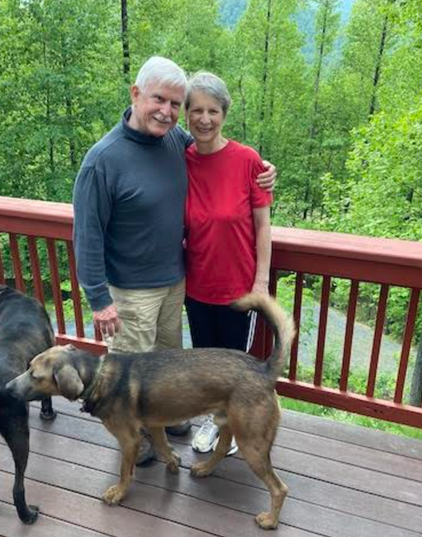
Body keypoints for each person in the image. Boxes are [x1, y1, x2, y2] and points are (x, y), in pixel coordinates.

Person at [72, 57, 275, 465]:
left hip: (175, 281)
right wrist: (98, 297)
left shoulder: (173, 140)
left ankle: (166, 419)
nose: (167, 111)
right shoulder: (103, 159)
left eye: (174, 103)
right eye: (158, 99)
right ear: (135, 95)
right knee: (127, 370)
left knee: (167, 364)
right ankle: (137, 439)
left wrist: (265, 169)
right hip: (129, 290)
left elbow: (214, 145)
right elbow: (87, 234)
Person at [183, 72, 273, 457]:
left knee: (236, 370)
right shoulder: (179, 159)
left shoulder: (247, 160)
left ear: (224, 113)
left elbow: (263, 226)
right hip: (196, 286)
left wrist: (261, 285)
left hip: (239, 291)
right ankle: (215, 422)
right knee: (206, 367)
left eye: (213, 111)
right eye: (197, 110)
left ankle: (234, 429)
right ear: (185, 113)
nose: (205, 119)